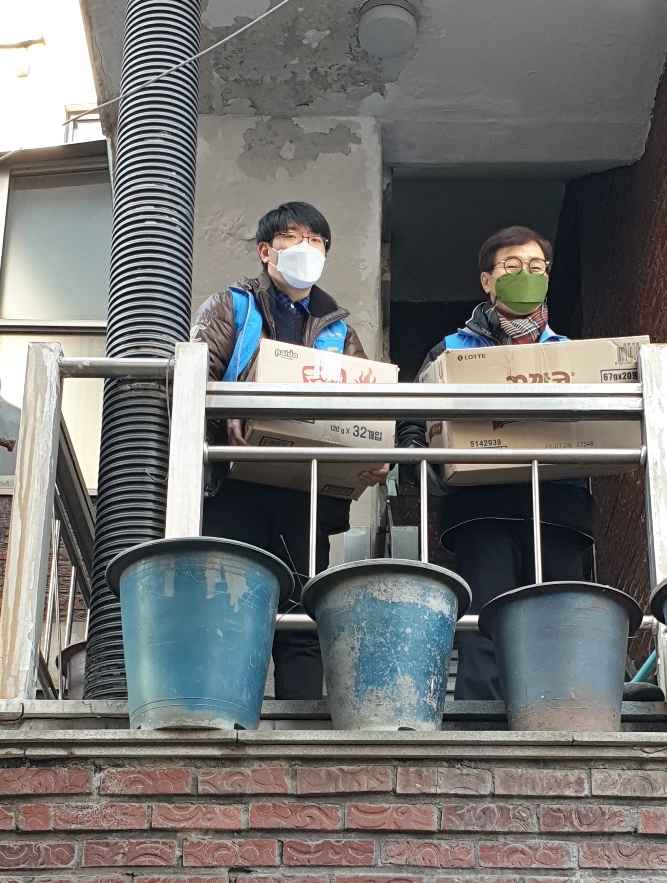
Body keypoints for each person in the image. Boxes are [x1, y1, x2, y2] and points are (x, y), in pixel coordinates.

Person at [191, 200, 388, 700]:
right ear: (266, 251)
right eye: (294, 239)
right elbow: (193, 381)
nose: (307, 249)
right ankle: (221, 716)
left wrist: (372, 457)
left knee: (301, 611)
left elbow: (365, 407)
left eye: (317, 241)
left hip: (304, 491)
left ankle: (300, 720)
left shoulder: (339, 331)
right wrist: (227, 410)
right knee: (230, 607)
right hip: (233, 482)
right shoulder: (232, 307)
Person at [400, 225, 594, 701]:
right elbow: (411, 414)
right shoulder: (452, 351)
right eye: (512, 266)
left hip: (558, 507)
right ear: (487, 281)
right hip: (481, 508)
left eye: (536, 267)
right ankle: (479, 720)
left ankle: (564, 718)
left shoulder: (573, 355)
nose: (525, 275)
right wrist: (417, 454)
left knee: (560, 623)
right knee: (484, 620)